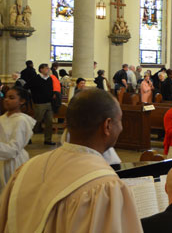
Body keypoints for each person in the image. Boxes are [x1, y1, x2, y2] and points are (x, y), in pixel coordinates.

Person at [0, 89, 142, 232]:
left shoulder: (27, 168)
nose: (122, 127)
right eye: (120, 120)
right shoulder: (105, 185)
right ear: (107, 125)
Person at [0, 87, 34, 189]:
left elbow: (14, 149)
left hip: (13, 162)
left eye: (11, 98)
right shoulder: (2, 118)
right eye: (6, 97)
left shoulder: (21, 120)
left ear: (21, 101)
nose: (6, 100)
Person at [27, 63, 56, 145]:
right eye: (46, 68)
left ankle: (48, 140)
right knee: (36, 122)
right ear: (41, 69)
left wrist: (52, 94)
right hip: (39, 103)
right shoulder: (35, 78)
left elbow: (51, 89)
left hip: (49, 103)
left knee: (49, 122)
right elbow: (26, 87)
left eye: (48, 68)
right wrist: (34, 96)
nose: (48, 69)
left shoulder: (49, 79)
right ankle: (27, 137)